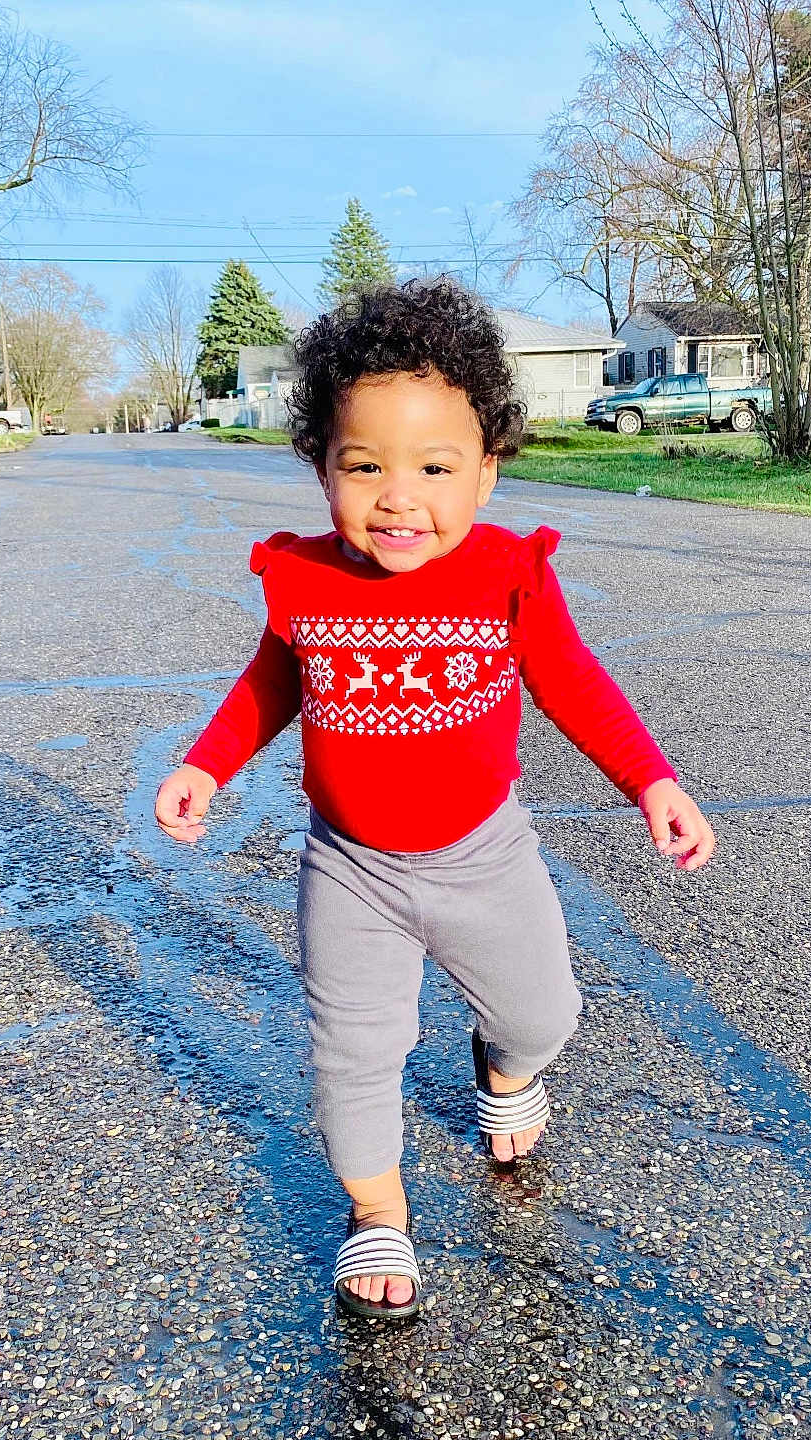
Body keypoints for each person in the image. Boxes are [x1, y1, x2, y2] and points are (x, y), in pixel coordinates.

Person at [155, 278, 716, 1321]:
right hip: (350, 867)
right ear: (322, 466)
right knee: (354, 1051)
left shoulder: (508, 577)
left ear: (488, 473)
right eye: (363, 466)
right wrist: (208, 762)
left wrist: (653, 780)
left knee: (546, 1013)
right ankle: (377, 1212)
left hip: (483, 856)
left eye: (433, 468)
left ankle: (505, 1073)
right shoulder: (309, 582)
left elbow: (574, 683)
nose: (397, 496)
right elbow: (277, 679)